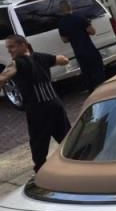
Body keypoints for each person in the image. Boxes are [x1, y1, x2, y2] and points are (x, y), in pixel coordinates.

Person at [0, 35, 71, 172]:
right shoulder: (40, 57)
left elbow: (2, 78)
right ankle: (79, 161)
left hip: (38, 110)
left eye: (12, 47)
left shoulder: (17, 63)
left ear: (23, 45)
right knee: (67, 138)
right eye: (8, 48)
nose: (10, 51)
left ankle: (41, 172)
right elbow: (63, 60)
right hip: (55, 104)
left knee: (39, 144)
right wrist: (61, 60)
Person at [58, 0, 105, 92]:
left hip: (78, 51)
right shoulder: (79, 17)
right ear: (70, 7)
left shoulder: (61, 23)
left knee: (86, 71)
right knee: (97, 67)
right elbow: (92, 31)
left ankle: (91, 90)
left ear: (61, 10)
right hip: (89, 48)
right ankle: (102, 87)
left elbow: (64, 40)